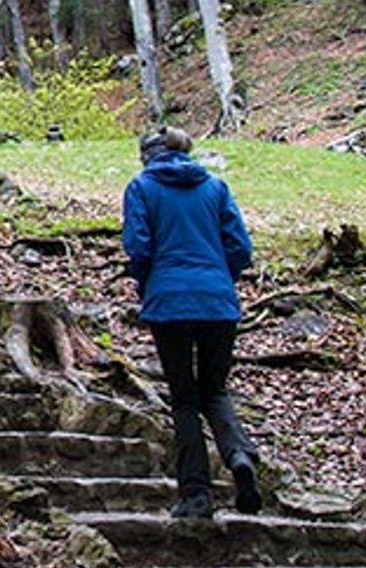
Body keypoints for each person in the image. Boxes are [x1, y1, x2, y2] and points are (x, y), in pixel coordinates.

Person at [121, 126, 262, 520]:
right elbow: (240, 247)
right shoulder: (215, 187)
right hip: (218, 303)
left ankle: (196, 495)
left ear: (147, 154)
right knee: (215, 390)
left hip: (169, 303)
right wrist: (219, 281)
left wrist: (148, 282)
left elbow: (138, 245)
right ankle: (238, 456)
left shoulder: (141, 188)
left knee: (184, 398)